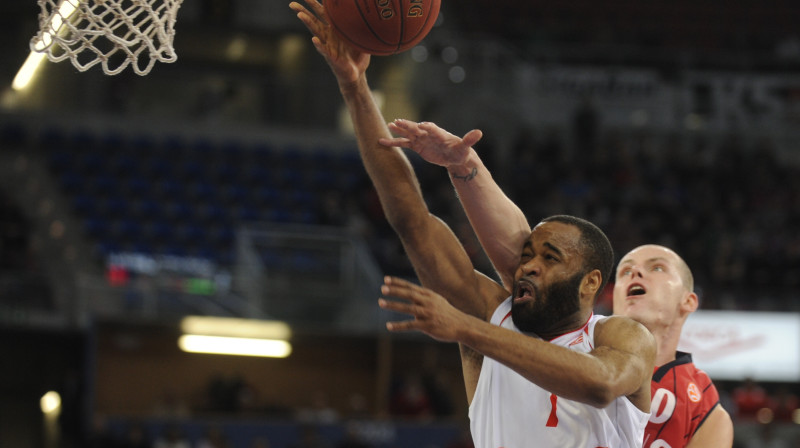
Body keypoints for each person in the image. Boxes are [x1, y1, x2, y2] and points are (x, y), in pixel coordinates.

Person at [290, 2, 656, 447]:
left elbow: (600, 384)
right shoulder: (490, 312)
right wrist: (354, 86)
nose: (527, 266)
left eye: (549, 257)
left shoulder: (618, 335)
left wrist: (464, 330)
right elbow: (412, 219)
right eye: (526, 255)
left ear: (590, 282)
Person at [379, 120, 734, 447]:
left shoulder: (703, 404)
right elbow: (515, 250)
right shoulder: (574, 329)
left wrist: (465, 328)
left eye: (656, 268)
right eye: (625, 270)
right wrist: (466, 166)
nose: (636, 274)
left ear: (689, 300)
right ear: (598, 288)